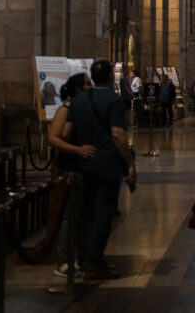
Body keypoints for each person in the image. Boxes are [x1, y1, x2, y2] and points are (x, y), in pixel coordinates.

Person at [67, 59, 136, 280]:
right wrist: (130, 163)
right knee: (104, 212)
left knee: (86, 212)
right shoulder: (114, 100)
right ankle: (94, 261)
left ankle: (85, 257)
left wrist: (77, 149)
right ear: (110, 77)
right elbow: (117, 134)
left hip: (83, 162)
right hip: (107, 164)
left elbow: (66, 133)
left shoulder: (77, 101)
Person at [47, 72, 94, 278]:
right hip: (69, 168)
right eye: (87, 84)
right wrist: (78, 150)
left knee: (83, 215)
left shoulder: (82, 108)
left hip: (84, 168)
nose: (91, 86)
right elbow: (55, 138)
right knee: (70, 216)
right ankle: (63, 261)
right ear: (78, 89)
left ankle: (83, 258)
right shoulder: (66, 109)